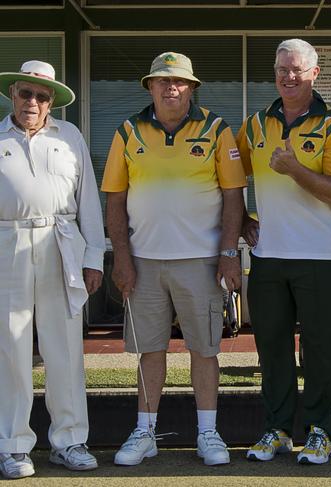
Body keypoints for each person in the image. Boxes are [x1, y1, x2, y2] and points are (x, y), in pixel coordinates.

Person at [102, 52, 246, 467]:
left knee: (204, 349)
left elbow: (234, 196)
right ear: (149, 86)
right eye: (162, 81)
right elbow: (115, 198)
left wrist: (228, 254)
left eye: (179, 82)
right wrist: (122, 257)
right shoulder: (128, 131)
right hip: (143, 262)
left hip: (201, 261)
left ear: (192, 88)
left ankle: (208, 433)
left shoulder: (217, 129)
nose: (171, 88)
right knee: (150, 351)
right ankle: (145, 432)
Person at [236, 38, 331, 465]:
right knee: (271, 347)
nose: (288, 77)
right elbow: (230, 178)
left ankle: (321, 430)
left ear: (313, 73)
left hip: (320, 257)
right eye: (282, 69)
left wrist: (295, 169)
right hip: (268, 256)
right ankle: (278, 428)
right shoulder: (254, 124)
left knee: (321, 349)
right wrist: (241, 221)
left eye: (297, 70)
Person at [0, 60, 105, 479]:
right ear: (13, 95)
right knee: (11, 347)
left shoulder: (70, 137)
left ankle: (70, 440)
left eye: (42, 97)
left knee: (65, 347)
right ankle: (12, 445)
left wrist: (94, 256)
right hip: (7, 245)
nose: (32, 102)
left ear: (51, 103)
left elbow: (89, 202)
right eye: (26, 93)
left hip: (61, 242)